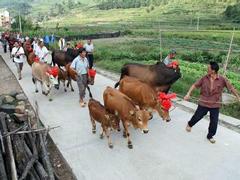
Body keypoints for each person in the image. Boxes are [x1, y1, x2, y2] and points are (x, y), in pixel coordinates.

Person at [184, 61, 240, 144]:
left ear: (213, 70)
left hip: (215, 104)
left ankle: (210, 136)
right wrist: (188, 94)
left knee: (214, 122)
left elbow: (231, 88)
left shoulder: (222, 79)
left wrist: (238, 97)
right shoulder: (204, 78)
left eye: (208, 68)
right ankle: (190, 124)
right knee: (197, 117)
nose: (207, 69)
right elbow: (194, 85)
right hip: (204, 102)